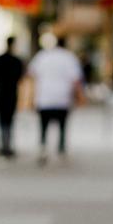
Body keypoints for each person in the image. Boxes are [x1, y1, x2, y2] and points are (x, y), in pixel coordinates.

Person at [27, 35, 84, 166]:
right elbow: (76, 79)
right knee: (62, 124)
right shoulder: (69, 57)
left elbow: (31, 74)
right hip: (62, 98)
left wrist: (30, 98)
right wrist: (81, 97)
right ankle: (61, 148)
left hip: (44, 97)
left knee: (43, 125)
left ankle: (43, 147)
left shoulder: (42, 56)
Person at [0, 36, 24, 158]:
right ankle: (7, 145)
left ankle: (3, 145)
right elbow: (20, 77)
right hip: (12, 93)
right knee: (9, 120)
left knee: (2, 120)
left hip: (0, 93)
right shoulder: (17, 61)